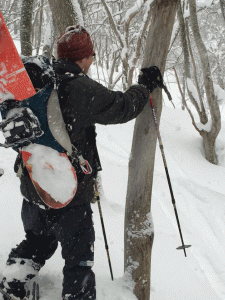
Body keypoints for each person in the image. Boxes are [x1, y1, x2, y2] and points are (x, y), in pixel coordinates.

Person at [0, 25, 160, 300]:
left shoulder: (36, 81)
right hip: (69, 195)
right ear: (81, 58)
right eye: (91, 55)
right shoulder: (80, 88)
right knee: (79, 260)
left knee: (37, 240)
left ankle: (12, 286)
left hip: (34, 187)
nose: (93, 60)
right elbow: (122, 107)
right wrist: (144, 86)